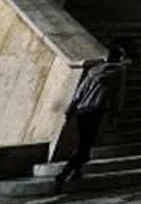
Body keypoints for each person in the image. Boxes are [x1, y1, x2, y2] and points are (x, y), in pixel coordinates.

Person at [54, 42, 131, 191]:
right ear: (119, 58)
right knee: (85, 146)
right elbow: (118, 95)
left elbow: (79, 92)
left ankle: (75, 171)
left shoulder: (93, 71)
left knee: (84, 143)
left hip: (82, 110)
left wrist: (70, 109)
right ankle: (65, 173)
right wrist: (115, 113)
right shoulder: (119, 72)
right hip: (96, 110)